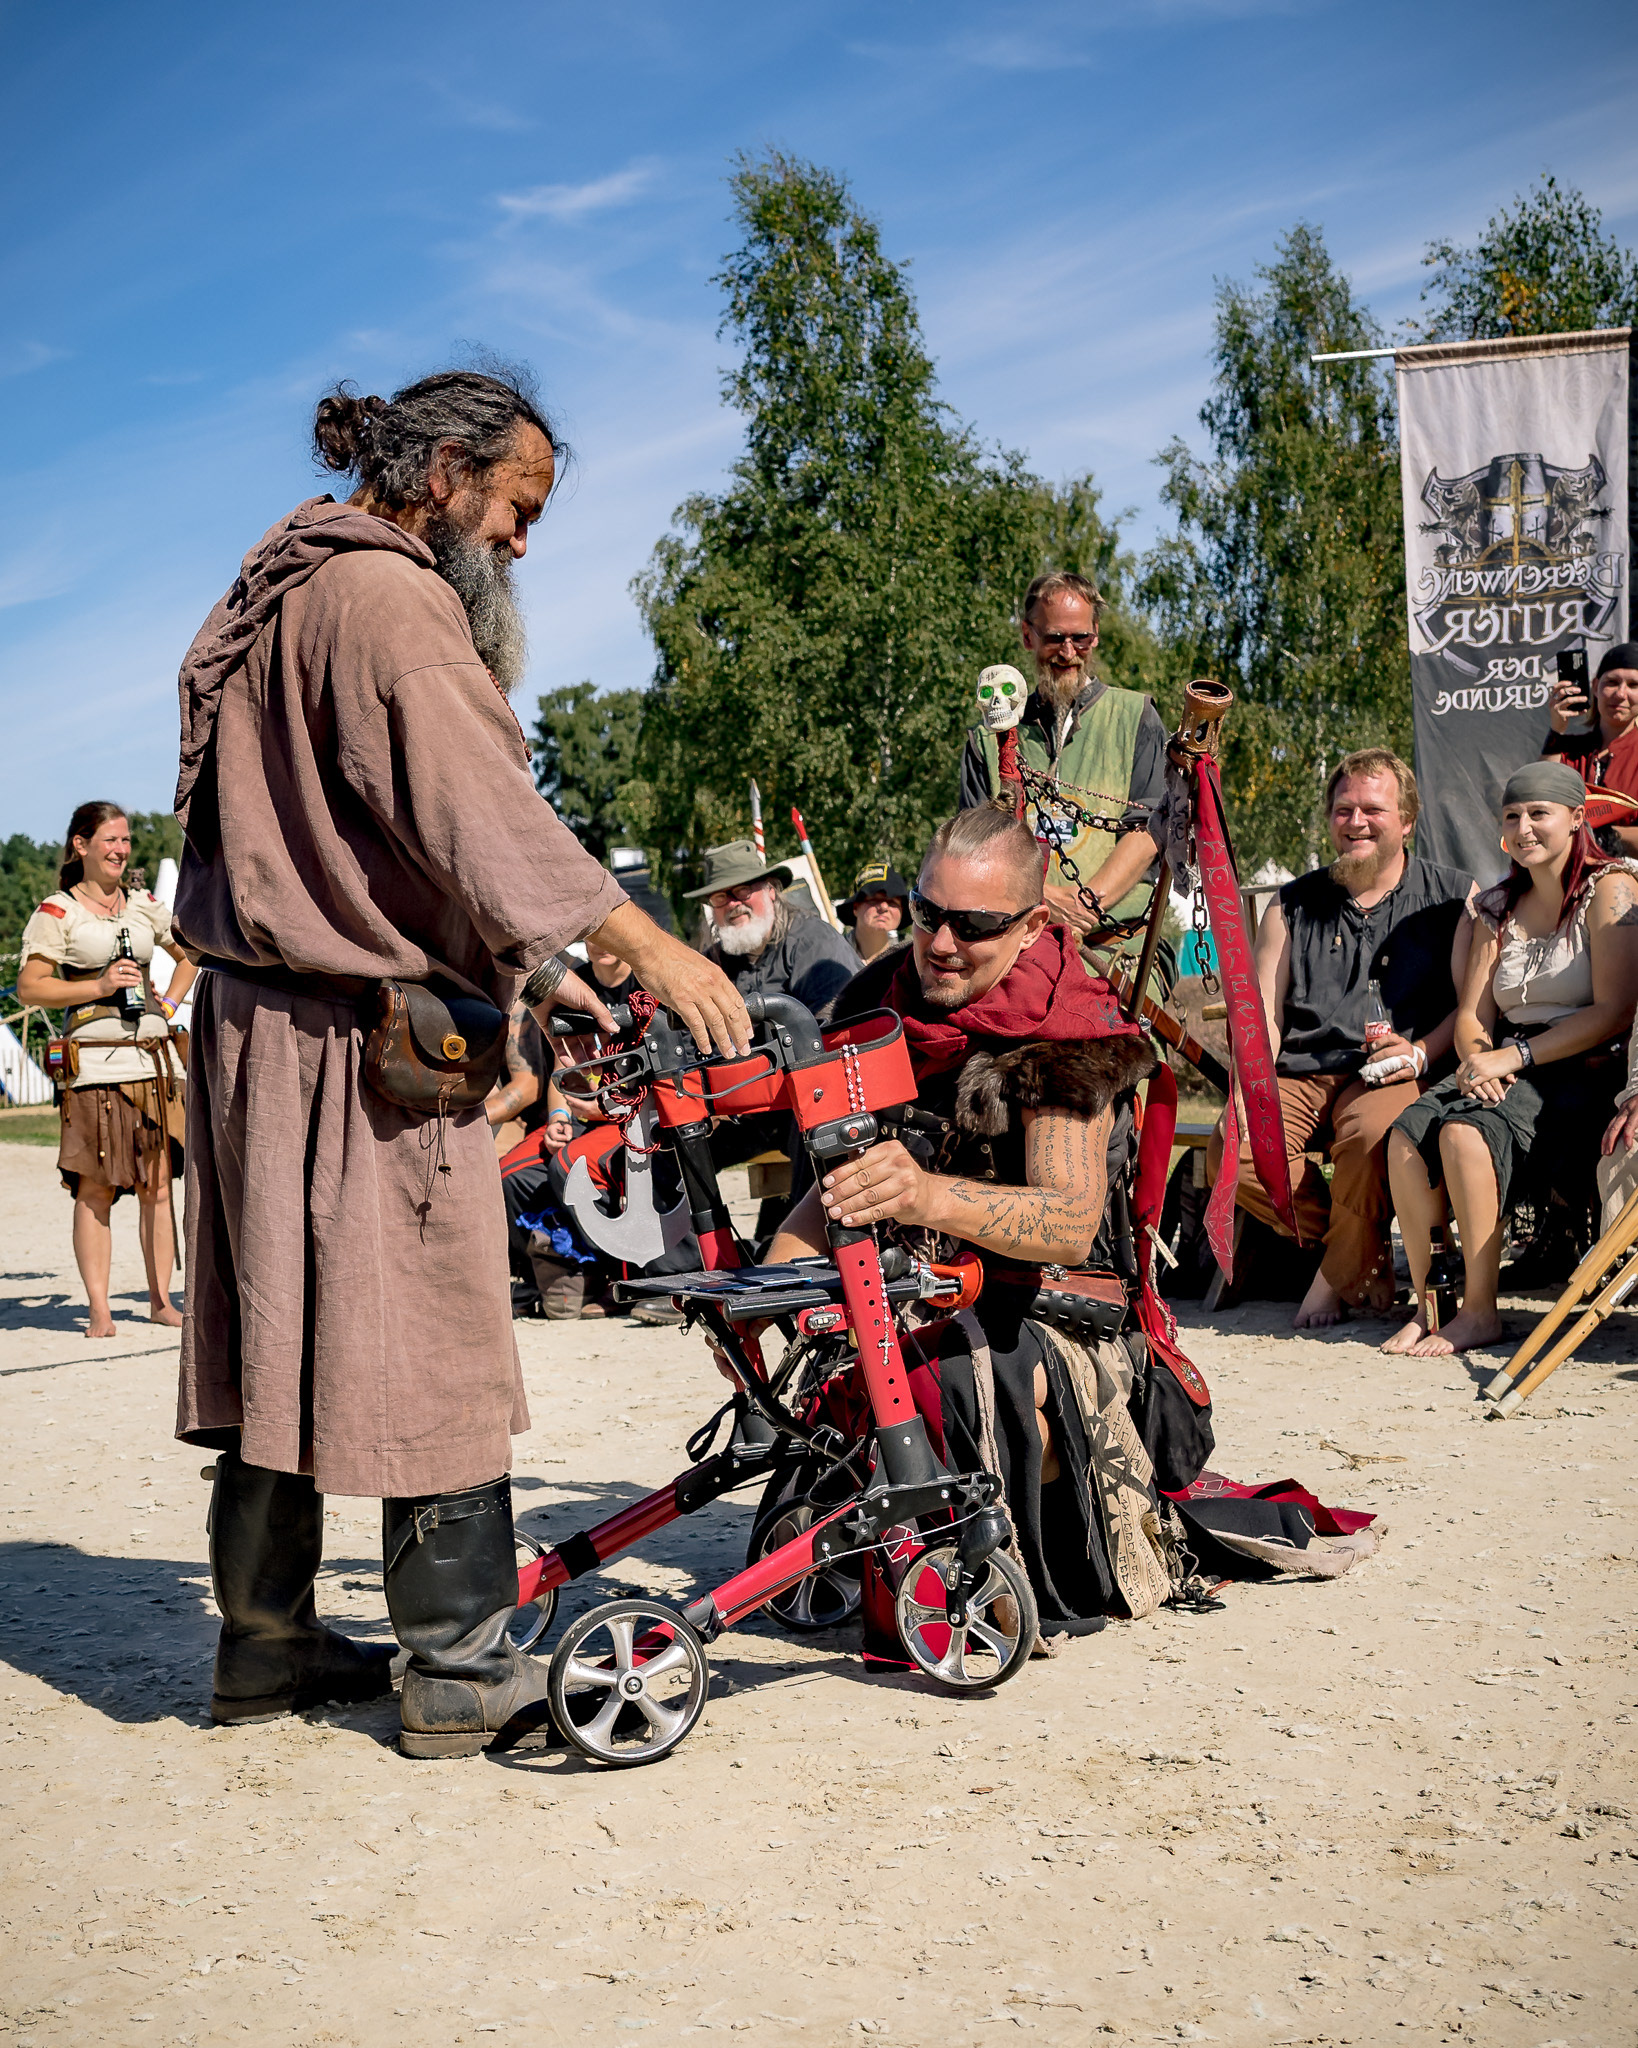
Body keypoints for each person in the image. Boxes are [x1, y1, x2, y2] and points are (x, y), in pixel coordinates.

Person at [171, 363, 751, 1754]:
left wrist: (537, 975)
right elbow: (483, 814)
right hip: (363, 1045)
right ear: (440, 479)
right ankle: (456, 1662)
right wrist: (645, 950)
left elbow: (384, 842)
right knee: (432, 1329)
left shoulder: (281, 581)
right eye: (515, 506)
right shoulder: (393, 603)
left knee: (281, 1336)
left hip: (263, 1021)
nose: (522, 541)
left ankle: (261, 1645)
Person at [759, 805, 1189, 1639]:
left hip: (1053, 1315)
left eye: (975, 925)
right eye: (928, 914)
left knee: (957, 1373)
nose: (942, 943)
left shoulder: (1068, 1029)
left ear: (1032, 926)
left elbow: (1068, 1224)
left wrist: (925, 1196)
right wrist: (771, 1293)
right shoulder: (875, 1002)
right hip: (900, 1295)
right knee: (828, 1358)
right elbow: (835, 1188)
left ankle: (978, 1571)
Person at [1206, 749, 1474, 1328]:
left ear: (1407, 820)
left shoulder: (1454, 897)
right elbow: (1263, 1016)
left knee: (1375, 1136)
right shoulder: (1291, 902)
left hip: (1391, 1071)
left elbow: (1469, 1005)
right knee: (1233, 1149)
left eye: (1373, 809)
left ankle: (1331, 1279)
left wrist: (1422, 1050)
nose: (1356, 822)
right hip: (1300, 1069)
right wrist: (1250, 1093)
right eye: (1343, 809)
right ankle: (1360, 1256)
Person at [1385, 762, 1638, 1357]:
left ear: (1577, 819)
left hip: (1585, 1069)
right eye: (1512, 816)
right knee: (1406, 1136)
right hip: (1508, 1061)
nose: (1524, 828)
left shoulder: (1612, 890)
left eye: (1539, 814)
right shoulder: (1498, 905)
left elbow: (1615, 1010)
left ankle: (1478, 1311)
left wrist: (1512, 1058)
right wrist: (1477, 1062)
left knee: (1465, 1138)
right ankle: (1430, 1305)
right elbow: (1473, 1014)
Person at [18, 804, 197, 1338]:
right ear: (81, 845)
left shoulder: (143, 906)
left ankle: (161, 1300)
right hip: (93, 1064)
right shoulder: (58, 911)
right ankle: (99, 1308)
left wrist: (166, 1005)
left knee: (158, 1186)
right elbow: (31, 987)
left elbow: (190, 955)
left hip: (152, 1062)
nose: (120, 849)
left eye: (124, 841)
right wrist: (96, 989)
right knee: (94, 1189)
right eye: (109, 840)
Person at [958, 571, 1167, 952]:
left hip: (1119, 943)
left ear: (1096, 634)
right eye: (1054, 638)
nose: (1068, 652)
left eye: (1080, 638)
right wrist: (1042, 900)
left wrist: (1084, 905)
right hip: (1015, 943)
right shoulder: (987, 739)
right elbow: (973, 848)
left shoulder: (1136, 717)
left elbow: (1150, 827)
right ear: (1027, 635)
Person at [1542, 642, 1638, 854]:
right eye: (1612, 682)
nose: (1621, 694)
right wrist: (1557, 730)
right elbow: (1541, 796)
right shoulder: (1569, 749)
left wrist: (1602, 834)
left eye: (1633, 685)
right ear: (1595, 686)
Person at [840, 861, 909, 962]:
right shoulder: (834, 954)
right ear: (855, 908)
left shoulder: (911, 957)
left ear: (902, 911)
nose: (884, 906)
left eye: (892, 902)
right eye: (874, 900)